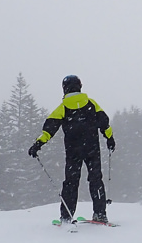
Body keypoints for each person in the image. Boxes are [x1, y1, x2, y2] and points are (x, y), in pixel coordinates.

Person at [28, 75, 115, 223]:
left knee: (71, 182)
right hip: (92, 149)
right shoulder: (91, 104)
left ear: (65, 88)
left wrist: (38, 144)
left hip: (73, 151)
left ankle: (67, 216)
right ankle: (100, 214)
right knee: (96, 180)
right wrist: (110, 139)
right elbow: (104, 123)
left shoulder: (63, 107)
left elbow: (49, 129)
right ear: (80, 86)